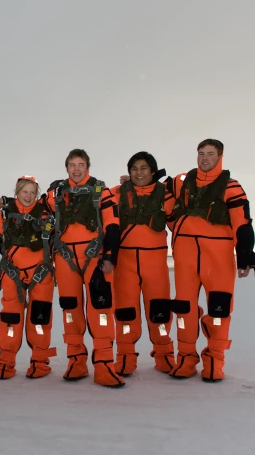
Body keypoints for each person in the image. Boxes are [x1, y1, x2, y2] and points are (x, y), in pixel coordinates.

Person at [168, 139, 255, 382]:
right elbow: (154, 195)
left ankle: (214, 360)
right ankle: (185, 359)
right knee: (183, 310)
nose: (204, 158)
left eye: (210, 154)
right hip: (185, 261)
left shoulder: (231, 186)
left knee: (219, 310)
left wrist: (247, 257)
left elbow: (243, 224)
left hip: (217, 261)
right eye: (201, 153)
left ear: (220, 157)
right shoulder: (180, 182)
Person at [43, 149, 125, 388]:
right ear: (66, 168)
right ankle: (76, 361)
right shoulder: (54, 194)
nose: (76, 169)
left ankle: (104, 365)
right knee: (70, 309)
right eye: (72, 165)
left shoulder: (102, 191)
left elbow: (112, 226)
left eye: (81, 164)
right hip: (65, 259)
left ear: (88, 166)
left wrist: (110, 256)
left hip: (95, 258)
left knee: (101, 309)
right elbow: (30, 209)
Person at [0, 175, 58, 379]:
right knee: (10, 318)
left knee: (40, 318)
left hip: (41, 273)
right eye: (24, 191)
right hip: (12, 273)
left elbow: (64, 239)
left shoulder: (48, 216)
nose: (28, 196)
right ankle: (6, 362)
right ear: (17, 192)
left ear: (37, 194)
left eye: (32, 192)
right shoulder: (4, 216)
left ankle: (40, 361)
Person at [112, 152, 175, 376]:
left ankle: (164, 356)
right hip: (125, 264)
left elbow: (180, 225)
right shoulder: (116, 193)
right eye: (134, 169)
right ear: (129, 172)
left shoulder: (165, 195)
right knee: (125, 312)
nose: (139, 173)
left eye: (144, 168)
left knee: (160, 312)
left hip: (155, 264)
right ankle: (125, 357)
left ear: (152, 171)